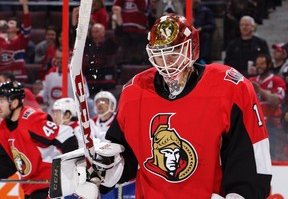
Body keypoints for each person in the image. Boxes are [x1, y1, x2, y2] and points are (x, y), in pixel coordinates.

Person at [50, 14, 272, 199]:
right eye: (160, 55)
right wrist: (99, 172)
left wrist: (241, 195)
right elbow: (124, 158)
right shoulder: (135, 92)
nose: (167, 64)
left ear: (192, 49)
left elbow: (251, 158)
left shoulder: (229, 87)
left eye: (174, 53)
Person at [0, 81, 78, 199]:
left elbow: (66, 136)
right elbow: (7, 164)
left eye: (1, 101)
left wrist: (66, 174)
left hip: (50, 186)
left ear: (14, 103)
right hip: (31, 189)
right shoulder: (3, 128)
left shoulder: (31, 118)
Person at [0, 0, 31, 82]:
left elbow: (27, 25)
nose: (8, 24)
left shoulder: (21, 40)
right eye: (8, 22)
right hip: (2, 77)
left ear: (17, 29)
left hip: (18, 76)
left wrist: (25, 5)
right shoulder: (1, 38)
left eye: (12, 23)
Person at [249, 53, 286, 128]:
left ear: (269, 65)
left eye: (262, 64)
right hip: (255, 123)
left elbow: (277, 101)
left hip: (272, 124)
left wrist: (259, 90)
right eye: (257, 64)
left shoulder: (277, 80)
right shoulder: (251, 80)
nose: (259, 66)